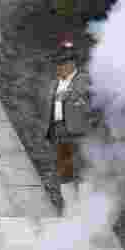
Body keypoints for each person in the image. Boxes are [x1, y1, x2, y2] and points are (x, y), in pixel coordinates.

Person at [44, 39, 93, 214]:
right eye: (58, 62)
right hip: (59, 129)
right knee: (64, 170)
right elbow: (52, 99)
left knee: (82, 168)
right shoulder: (56, 81)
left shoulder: (82, 78)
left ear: (71, 63)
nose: (59, 66)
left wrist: (65, 94)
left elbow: (79, 91)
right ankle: (70, 208)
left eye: (62, 62)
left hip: (76, 130)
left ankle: (87, 207)